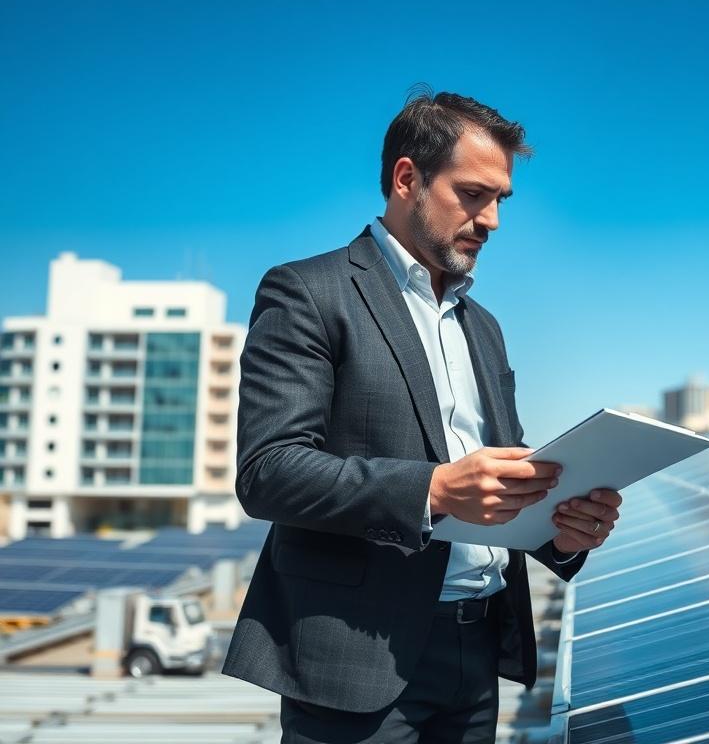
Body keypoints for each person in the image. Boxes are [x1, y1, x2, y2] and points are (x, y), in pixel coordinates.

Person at [222, 90, 621, 743]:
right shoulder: (309, 292)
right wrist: (433, 489)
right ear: (407, 178)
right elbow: (268, 471)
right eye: (473, 194)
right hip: (358, 660)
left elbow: (500, 479)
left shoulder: (482, 326)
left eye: (501, 200)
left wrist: (562, 532)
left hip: (479, 651)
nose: (491, 219)